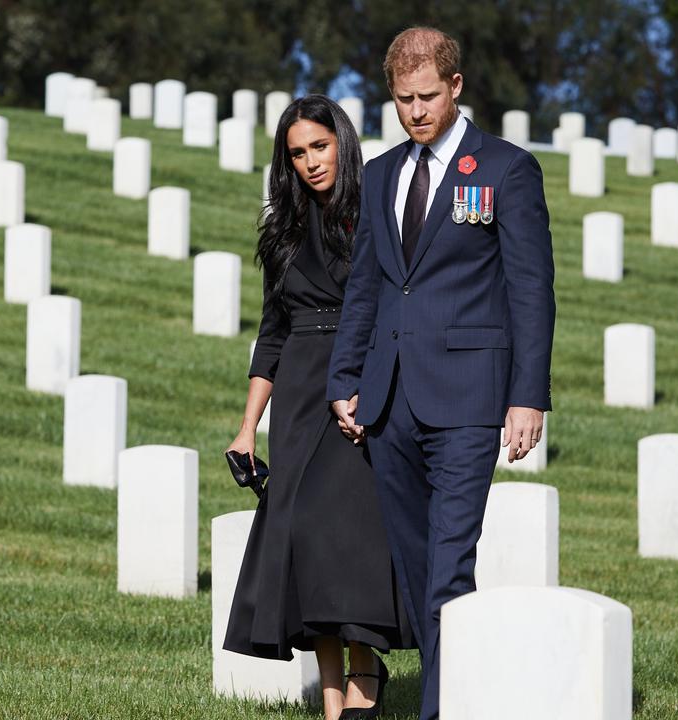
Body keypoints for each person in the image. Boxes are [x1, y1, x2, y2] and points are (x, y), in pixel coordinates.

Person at [326, 27, 556, 720]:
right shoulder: (386, 174)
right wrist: (345, 378)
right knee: (417, 569)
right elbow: (366, 283)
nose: (417, 111)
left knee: (449, 569)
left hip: (468, 401)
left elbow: (531, 289)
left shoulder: (506, 170)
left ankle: (441, 710)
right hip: (388, 400)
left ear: (456, 87)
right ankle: (463, 691)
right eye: (403, 100)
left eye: (428, 96)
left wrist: (528, 397)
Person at [225, 94, 415, 720]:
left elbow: (395, 305)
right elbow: (272, 333)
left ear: (343, 143)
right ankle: (335, 705)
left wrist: (370, 383)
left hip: (360, 378)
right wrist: (248, 427)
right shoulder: (281, 231)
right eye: (297, 152)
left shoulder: (376, 211)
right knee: (306, 541)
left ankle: (367, 668)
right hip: (301, 394)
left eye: (320, 146)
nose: (310, 162)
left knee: (351, 539)